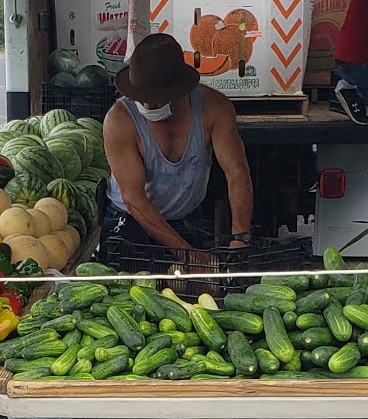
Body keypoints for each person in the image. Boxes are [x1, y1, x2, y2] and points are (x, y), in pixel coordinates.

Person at [100, 32, 254, 260]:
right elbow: (135, 199)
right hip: (130, 220)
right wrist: (189, 256)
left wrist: (240, 236)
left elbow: (236, 172)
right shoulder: (119, 120)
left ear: (180, 91)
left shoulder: (214, 108)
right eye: (142, 98)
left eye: (157, 99)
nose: (148, 105)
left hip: (186, 217)